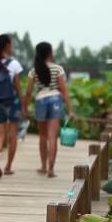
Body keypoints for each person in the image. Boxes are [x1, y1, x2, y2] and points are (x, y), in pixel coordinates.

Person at [23, 42, 74, 178]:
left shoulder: (34, 71)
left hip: (40, 100)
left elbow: (28, 93)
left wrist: (25, 109)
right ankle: (51, 169)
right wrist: (70, 109)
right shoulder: (58, 69)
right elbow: (64, 90)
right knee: (52, 137)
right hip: (55, 100)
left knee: (43, 136)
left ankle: (43, 166)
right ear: (50, 53)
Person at [0, 34, 25, 178]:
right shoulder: (14, 64)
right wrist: (23, 106)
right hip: (11, 102)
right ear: (7, 45)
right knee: (12, 135)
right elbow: (19, 88)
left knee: (0, 136)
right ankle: (7, 166)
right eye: (11, 44)